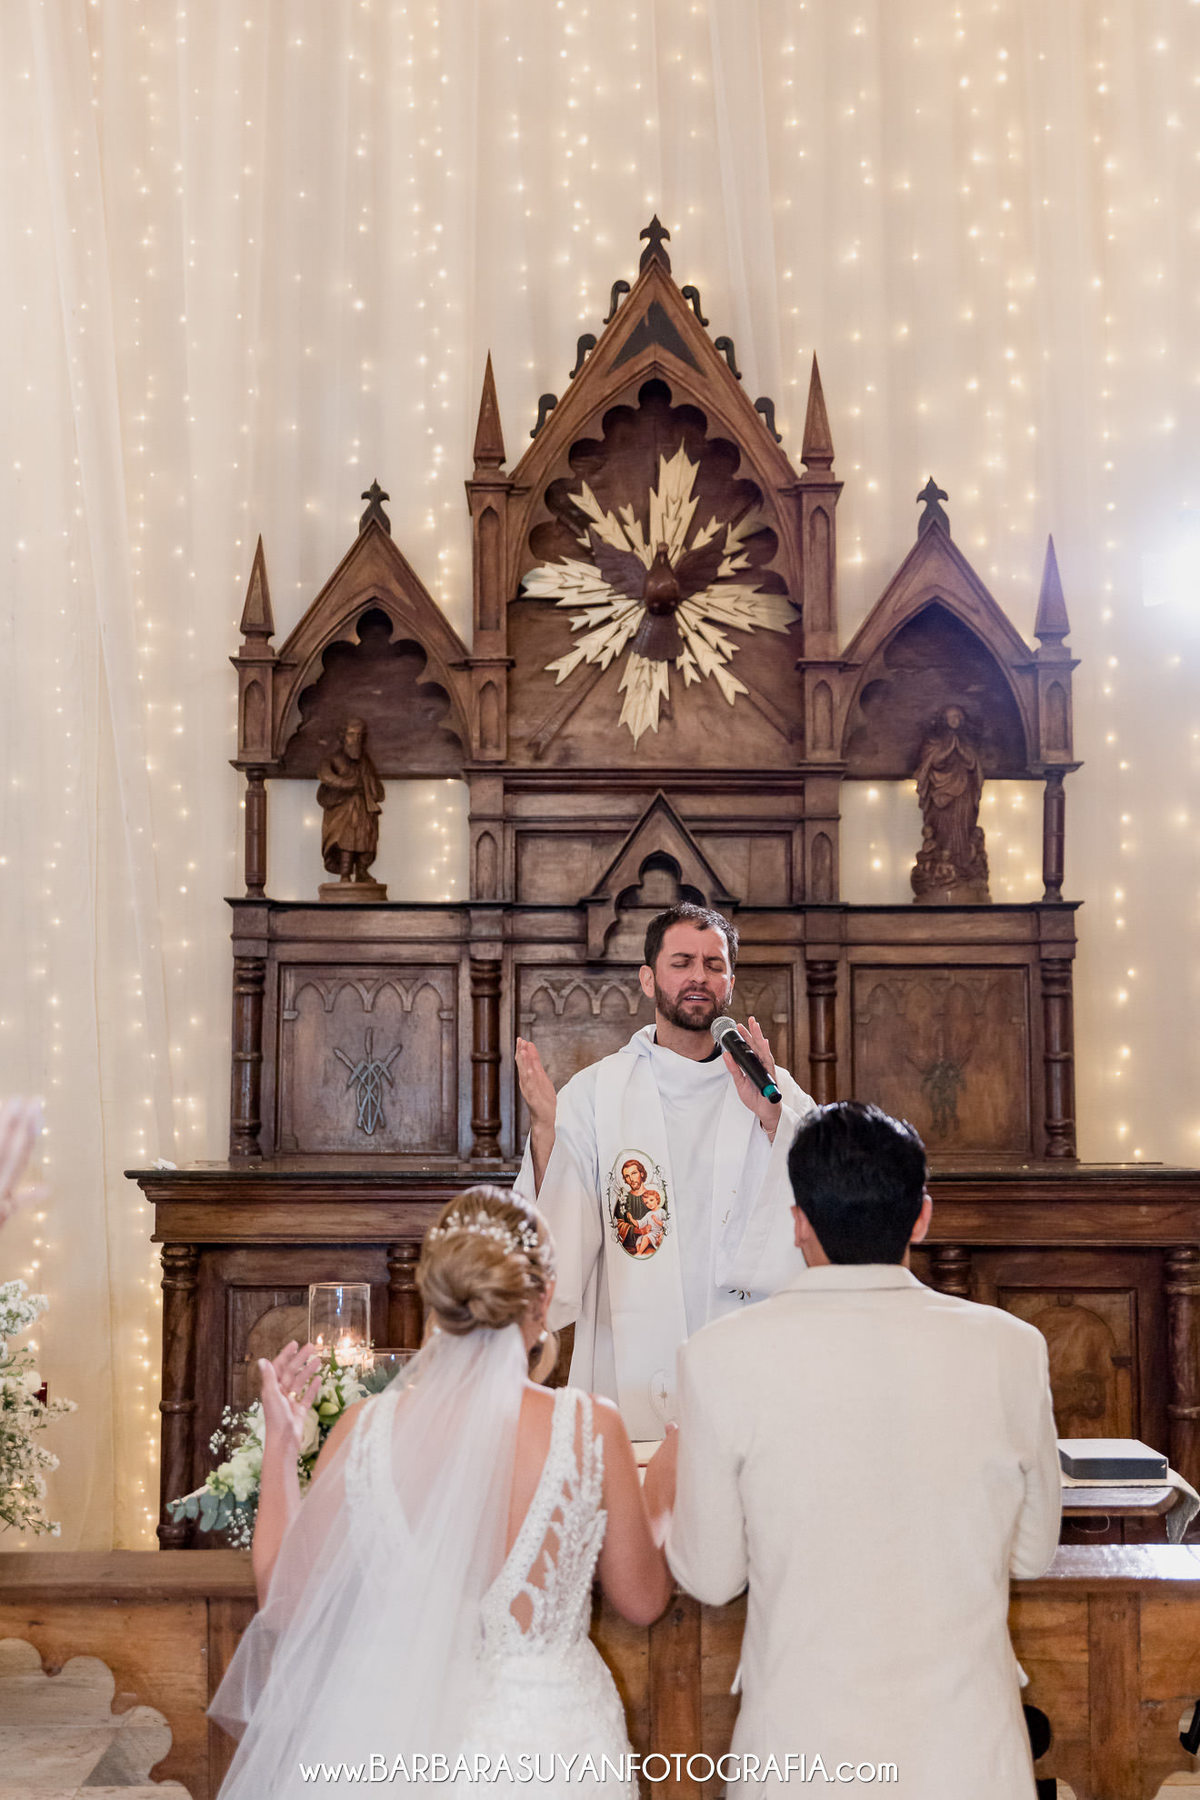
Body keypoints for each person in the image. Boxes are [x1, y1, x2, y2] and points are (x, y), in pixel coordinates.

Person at [210, 1186, 675, 1799]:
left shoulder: (362, 1431)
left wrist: (281, 1447)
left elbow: (286, 1606)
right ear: (541, 1300)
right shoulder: (591, 1426)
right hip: (552, 1749)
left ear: (435, 1299)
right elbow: (642, 1601)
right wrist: (665, 1482)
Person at [665, 1101, 1062, 1797]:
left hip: (802, 1756)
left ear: (798, 1223)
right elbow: (1033, 1554)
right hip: (968, 1758)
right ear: (922, 1217)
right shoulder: (1012, 1347)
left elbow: (711, 1576)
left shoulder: (719, 1355)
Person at [514, 903, 815, 1441]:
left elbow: (823, 1205)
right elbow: (558, 1236)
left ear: (730, 982)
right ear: (649, 978)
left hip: (748, 1358)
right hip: (631, 1360)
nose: (699, 976)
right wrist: (545, 1133)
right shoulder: (597, 1093)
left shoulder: (774, 1089)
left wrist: (774, 1120)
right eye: (682, 962)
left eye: (714, 965)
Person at [316, 716, 385, 883]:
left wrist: (371, 788)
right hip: (343, 807)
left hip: (363, 806)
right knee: (346, 839)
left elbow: (374, 784)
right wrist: (345, 783)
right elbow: (324, 774)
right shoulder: (334, 758)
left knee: (365, 839)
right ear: (343, 736)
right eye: (352, 734)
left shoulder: (365, 761)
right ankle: (345, 873)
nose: (356, 740)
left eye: (360, 735)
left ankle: (362, 871)